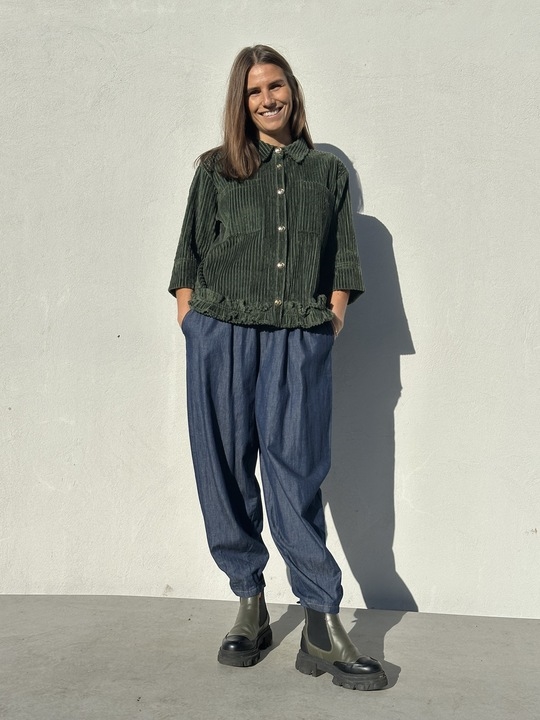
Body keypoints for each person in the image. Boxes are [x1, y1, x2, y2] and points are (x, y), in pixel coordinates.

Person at [168, 44, 388, 691]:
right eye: (254, 90)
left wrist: (330, 319)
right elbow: (189, 254)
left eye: (276, 85)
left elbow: (342, 259)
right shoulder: (216, 169)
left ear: (292, 90)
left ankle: (320, 620)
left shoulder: (326, 172)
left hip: (297, 335)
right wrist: (193, 322)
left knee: (296, 473)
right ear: (242, 103)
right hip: (221, 331)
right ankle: (249, 601)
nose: (267, 99)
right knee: (225, 468)